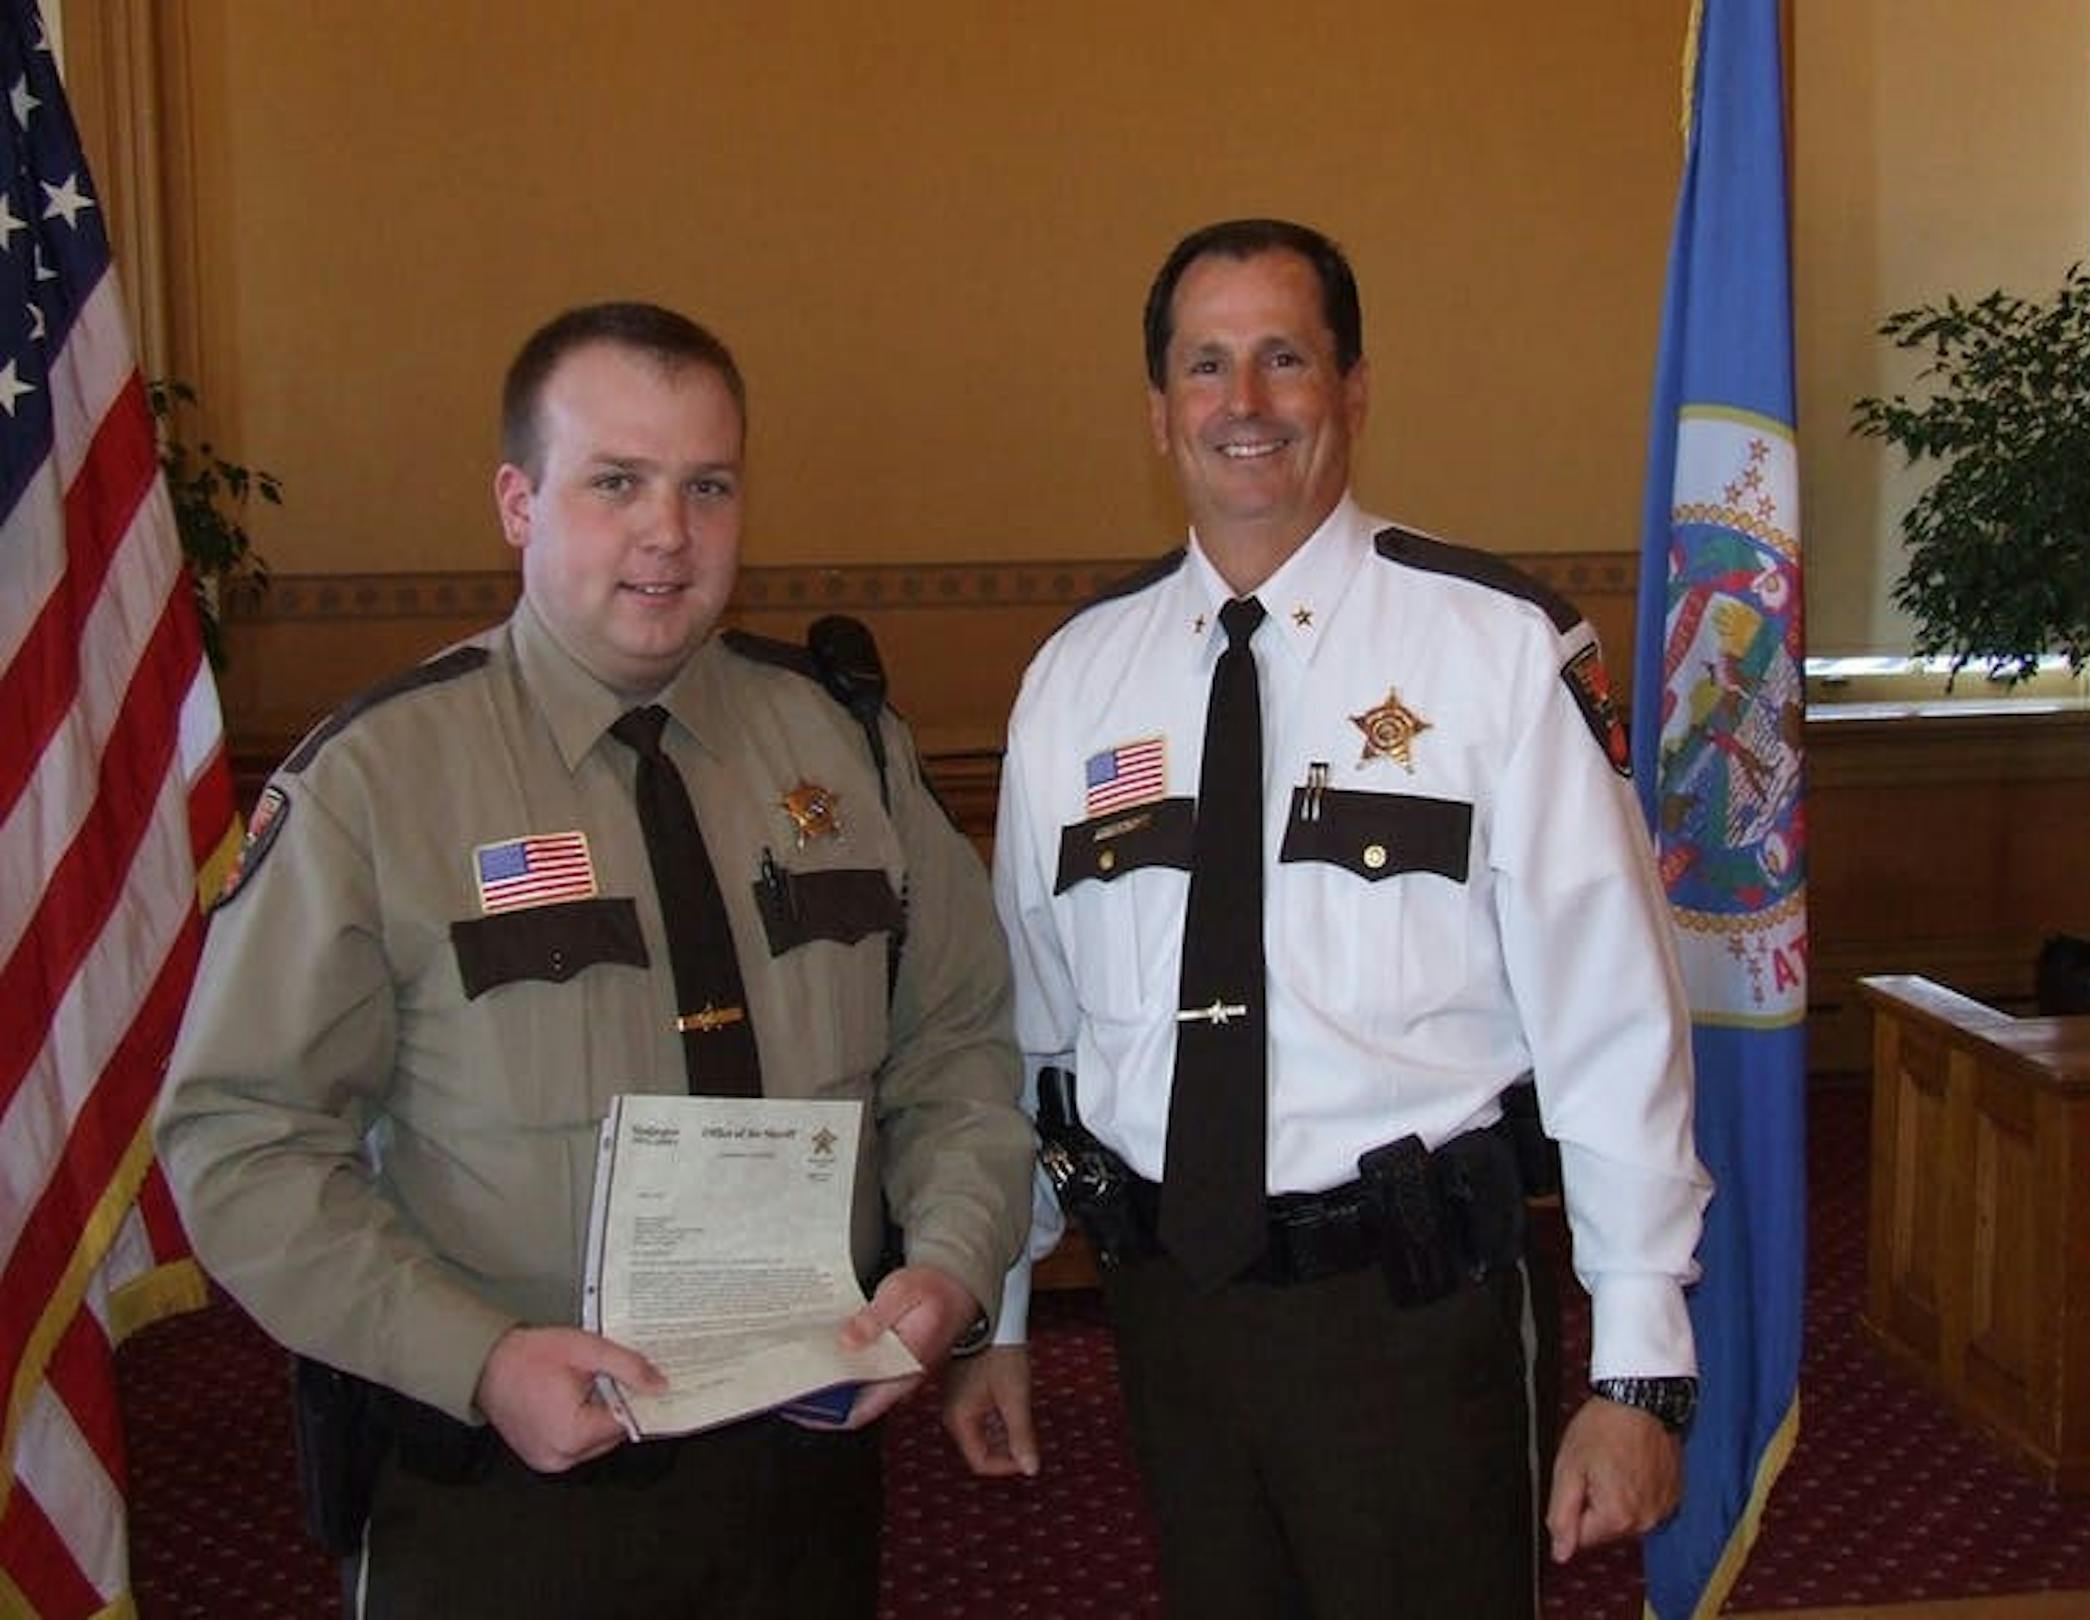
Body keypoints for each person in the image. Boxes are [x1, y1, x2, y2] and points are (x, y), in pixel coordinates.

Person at [157, 302, 1033, 1619]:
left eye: (708, 486)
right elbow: (240, 1137)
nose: (667, 532)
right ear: (518, 501)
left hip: (800, 1470)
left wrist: (953, 1259)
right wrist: (480, 1359)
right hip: (499, 1487)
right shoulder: (377, 784)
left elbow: (959, 1048)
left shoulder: (844, 749)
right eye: (616, 482)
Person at [944, 219, 1712, 1618]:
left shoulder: (1495, 652)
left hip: (1410, 1318)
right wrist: (997, 1320)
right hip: (1173, 1313)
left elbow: (1615, 1029)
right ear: (1158, 410)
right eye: (1206, 365)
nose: (1244, 405)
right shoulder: (1074, 681)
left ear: (1352, 390)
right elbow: (1035, 1048)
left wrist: (1639, 1369)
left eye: (1284, 359)